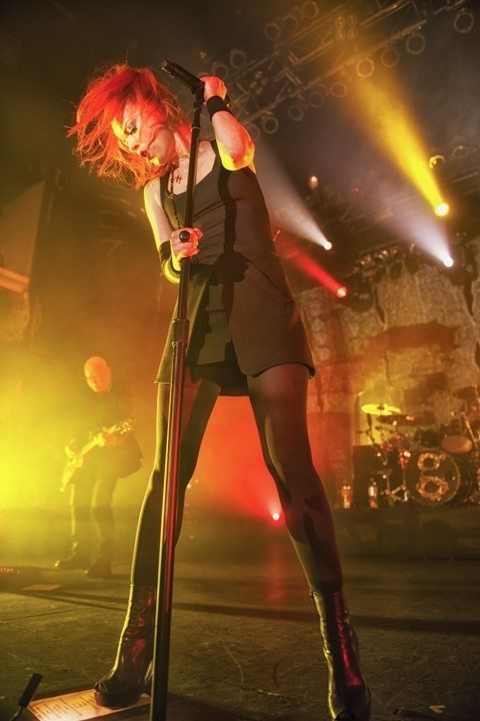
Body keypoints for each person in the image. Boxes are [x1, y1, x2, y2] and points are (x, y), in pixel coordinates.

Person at [68, 65, 370, 721]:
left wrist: (214, 99)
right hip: (197, 322)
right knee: (163, 480)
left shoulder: (217, 140)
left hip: (259, 307)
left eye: (135, 127)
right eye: (122, 139)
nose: (133, 145)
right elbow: (166, 258)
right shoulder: (154, 191)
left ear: (155, 105)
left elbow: (238, 149)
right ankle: (135, 646)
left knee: (292, 468)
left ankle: (341, 652)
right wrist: (177, 248)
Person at [55, 355, 143, 577]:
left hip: (111, 458)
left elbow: (128, 422)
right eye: (90, 378)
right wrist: (71, 446)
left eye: (99, 375)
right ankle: (81, 553)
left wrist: (116, 440)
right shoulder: (85, 398)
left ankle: (104, 561)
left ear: (109, 371)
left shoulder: (121, 392)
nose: (95, 381)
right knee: (78, 504)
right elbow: (75, 427)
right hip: (86, 459)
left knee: (99, 505)